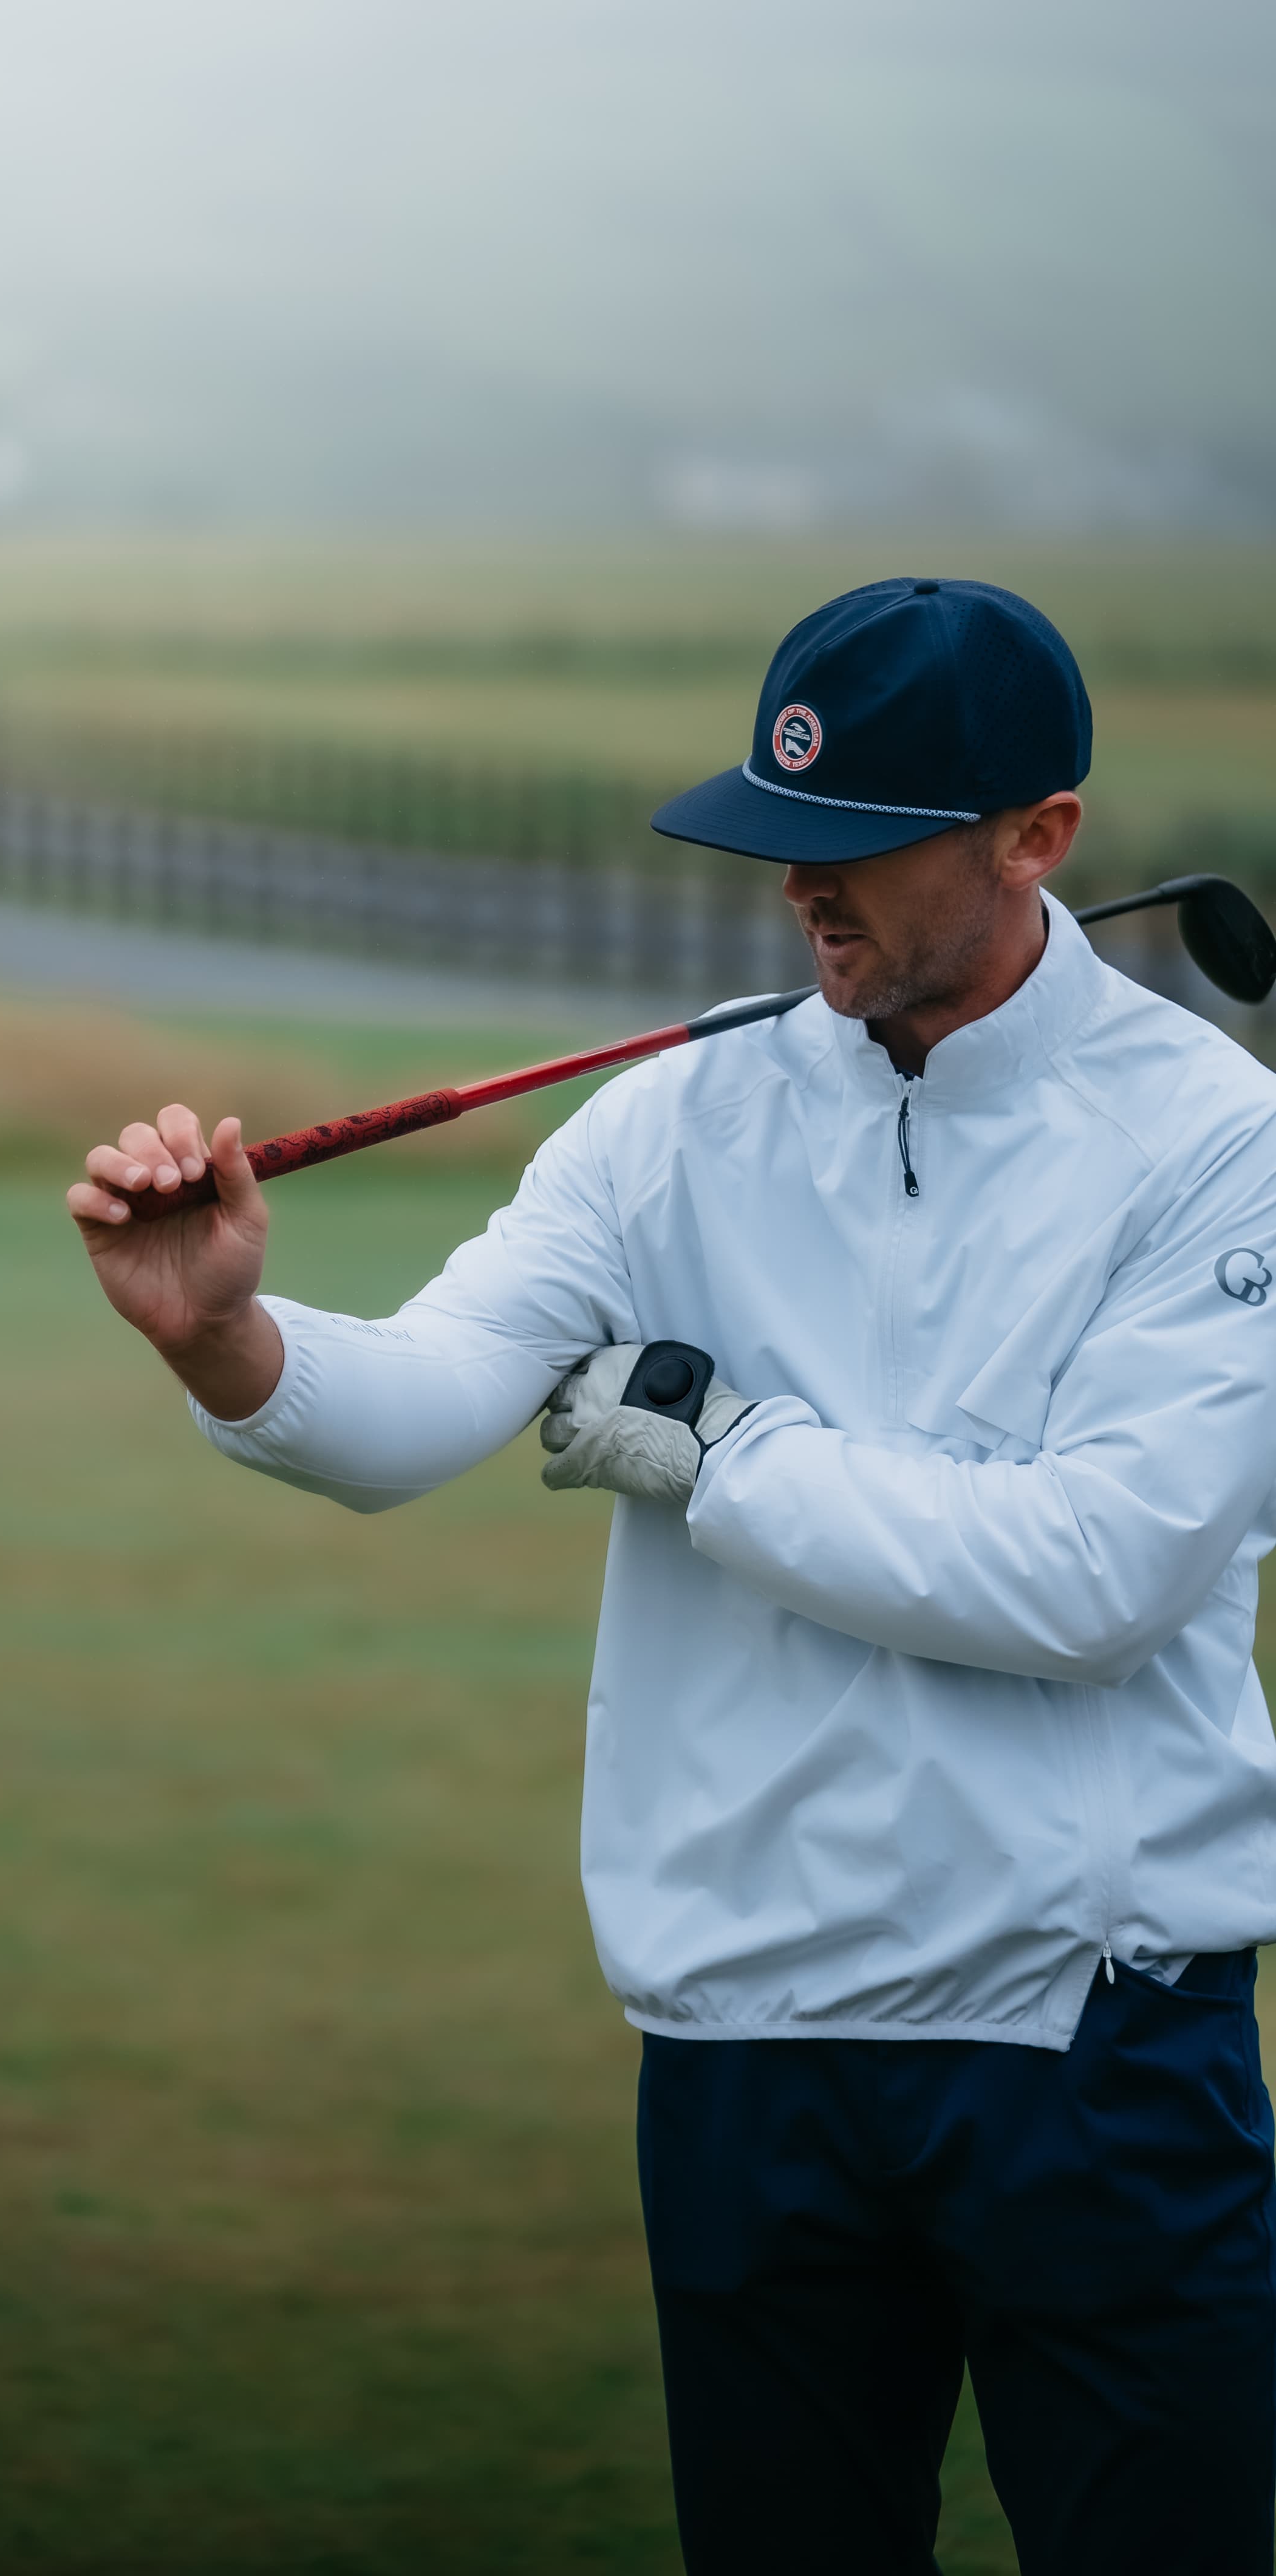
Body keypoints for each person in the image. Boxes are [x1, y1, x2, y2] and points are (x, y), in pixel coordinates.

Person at [68, 578, 1276, 2576]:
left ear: (1037, 835)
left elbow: (1097, 1575)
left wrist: (718, 1451)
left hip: (1087, 2036)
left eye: (854, 844)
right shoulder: (668, 1126)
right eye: (778, 837)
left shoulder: (1217, 1142)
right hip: (747, 2040)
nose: (800, 890)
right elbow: (427, 1400)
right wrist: (227, 1340)